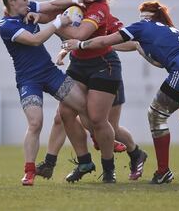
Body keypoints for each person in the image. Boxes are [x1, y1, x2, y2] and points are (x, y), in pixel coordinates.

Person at [63, 0, 179, 184]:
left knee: (156, 115)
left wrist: (79, 44)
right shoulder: (167, 29)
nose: (140, 18)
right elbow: (153, 58)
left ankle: (163, 171)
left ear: (146, 17)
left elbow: (106, 40)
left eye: (142, 14)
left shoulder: (142, 26)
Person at [42, 0, 146, 183]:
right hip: (80, 65)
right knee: (64, 113)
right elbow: (54, 17)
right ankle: (84, 162)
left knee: (101, 123)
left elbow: (79, 35)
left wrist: (57, 27)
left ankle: (115, 165)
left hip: (104, 66)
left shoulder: (102, 10)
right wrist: (32, 14)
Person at [0, 0, 96, 186]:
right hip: (28, 80)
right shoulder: (6, 26)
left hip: (49, 72)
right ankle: (29, 171)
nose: (29, 3)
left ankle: (100, 138)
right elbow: (35, 39)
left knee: (83, 105)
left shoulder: (27, 9)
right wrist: (59, 22)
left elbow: (51, 4)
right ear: (11, 1)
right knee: (35, 123)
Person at [36, 13, 147, 181]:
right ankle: (70, 162)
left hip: (105, 71)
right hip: (79, 70)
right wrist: (64, 51)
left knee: (109, 127)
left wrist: (103, 44)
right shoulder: (76, 14)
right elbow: (73, 39)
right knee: (62, 115)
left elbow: (131, 43)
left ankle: (135, 153)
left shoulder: (104, 16)